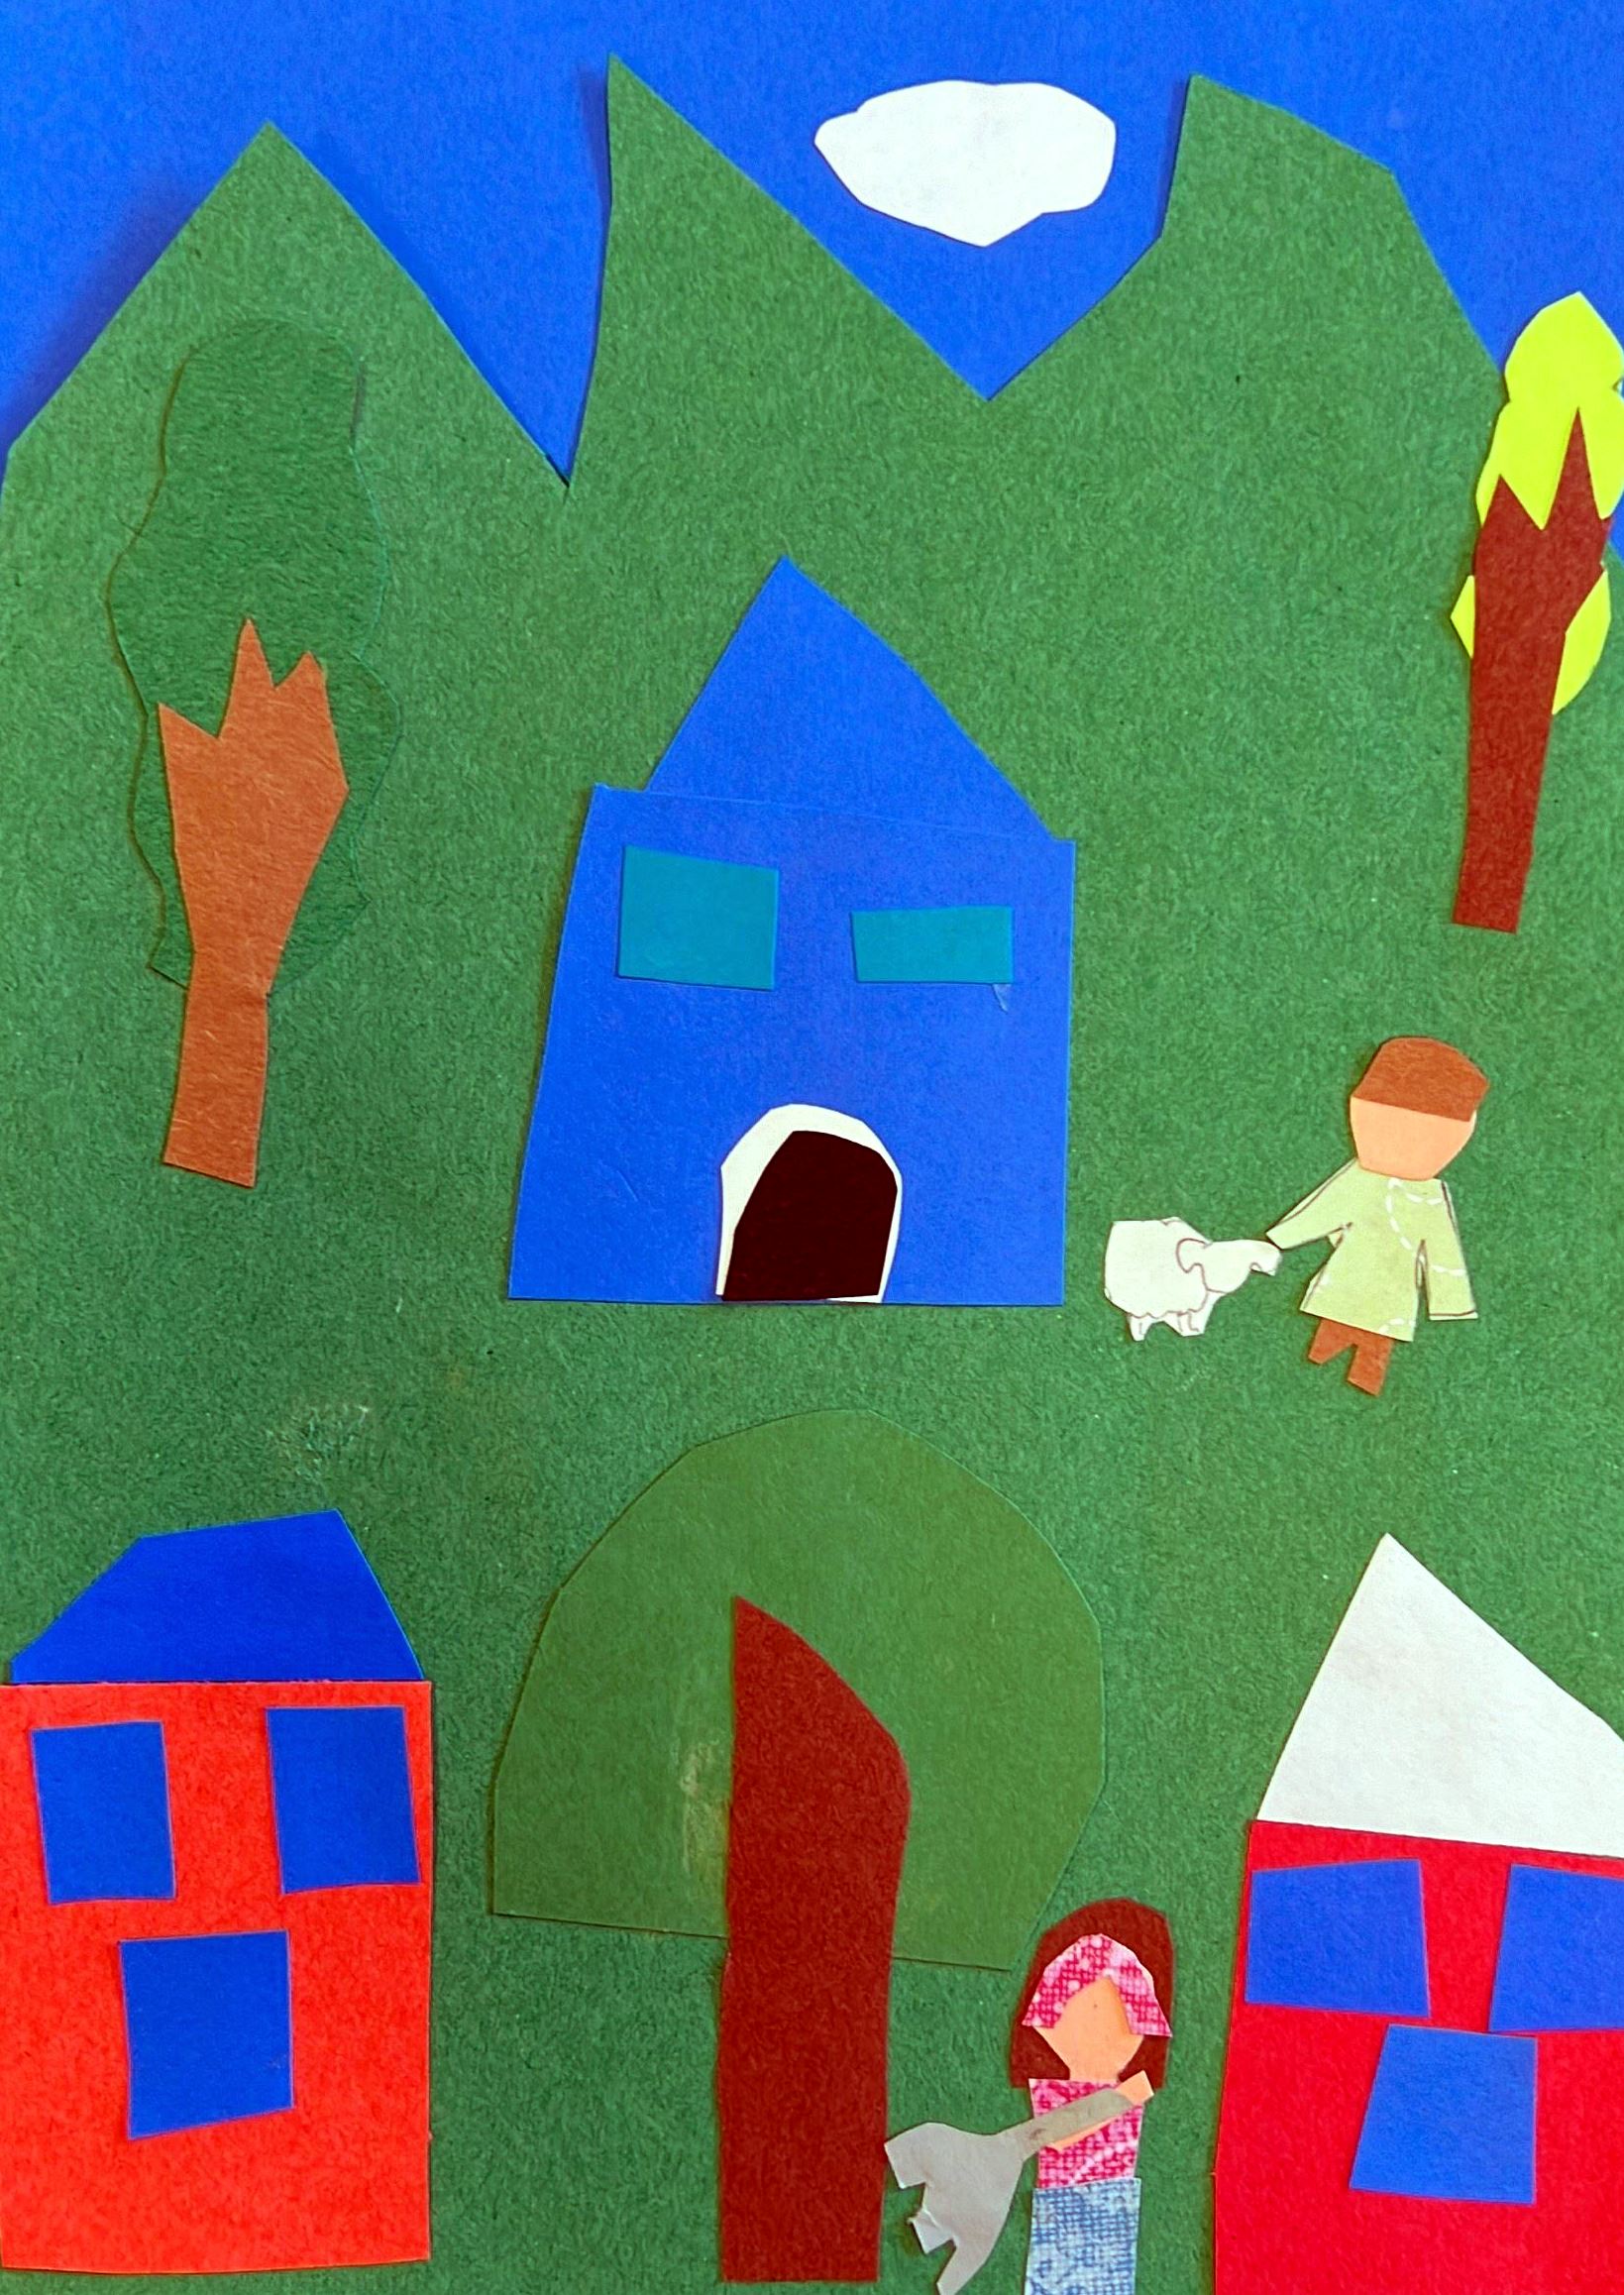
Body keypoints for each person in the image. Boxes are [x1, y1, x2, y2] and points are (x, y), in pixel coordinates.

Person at [1266, 1037, 1488, 1397]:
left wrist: (1283, 1238)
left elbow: (1442, 1252)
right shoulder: (1379, 1184)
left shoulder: (1417, 1196)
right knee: (1337, 1336)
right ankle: (1332, 1362)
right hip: (1363, 1281)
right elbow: (1328, 1211)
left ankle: (1352, 1370)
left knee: (1365, 1345)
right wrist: (1283, 1237)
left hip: (1379, 1286)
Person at [1009, 1900, 1174, 2295]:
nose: (1102, 2025)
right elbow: (1055, 2137)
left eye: (1122, 2018)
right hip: (1061, 2219)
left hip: (1113, 2213)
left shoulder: (1131, 2090)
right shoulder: (1055, 2092)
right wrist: (1120, 2099)